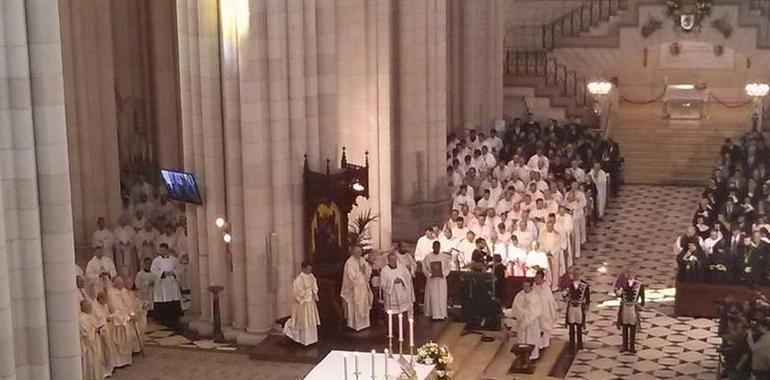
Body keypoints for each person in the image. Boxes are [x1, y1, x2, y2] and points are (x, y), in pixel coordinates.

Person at [283, 261, 320, 346]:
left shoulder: (311, 276)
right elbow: (297, 293)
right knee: (304, 322)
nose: (310, 271)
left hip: (310, 303)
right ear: (303, 268)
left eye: (311, 269)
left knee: (311, 321)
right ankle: (304, 341)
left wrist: (314, 291)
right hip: (302, 305)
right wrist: (307, 293)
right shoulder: (298, 280)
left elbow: (315, 287)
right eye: (308, 269)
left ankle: (312, 340)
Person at [151, 243, 183, 331]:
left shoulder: (174, 260)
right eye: (161, 250)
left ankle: (174, 317)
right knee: (163, 298)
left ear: (167, 250)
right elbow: (153, 271)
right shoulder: (156, 261)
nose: (162, 252)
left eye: (164, 250)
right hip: (162, 283)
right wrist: (162, 273)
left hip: (172, 282)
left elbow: (179, 269)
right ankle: (163, 318)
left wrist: (173, 272)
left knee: (173, 298)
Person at [341, 246, 373, 331]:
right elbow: (351, 278)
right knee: (356, 306)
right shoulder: (349, 263)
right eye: (357, 251)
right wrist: (360, 271)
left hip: (363, 287)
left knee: (364, 305)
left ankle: (364, 324)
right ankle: (355, 325)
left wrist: (367, 269)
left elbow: (368, 271)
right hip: (354, 289)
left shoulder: (362, 260)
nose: (359, 253)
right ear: (353, 252)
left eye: (360, 251)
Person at [510, 279, 542, 360]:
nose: (525, 288)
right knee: (522, 339)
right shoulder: (519, 295)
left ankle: (532, 356)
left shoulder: (535, 296)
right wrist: (523, 314)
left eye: (527, 286)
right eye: (524, 286)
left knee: (531, 339)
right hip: (522, 322)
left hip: (531, 323)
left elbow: (536, 311)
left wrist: (527, 317)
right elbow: (515, 308)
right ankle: (521, 356)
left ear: (531, 287)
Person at [615, 269, 644, 353]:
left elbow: (642, 296)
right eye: (629, 273)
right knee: (625, 327)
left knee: (632, 327)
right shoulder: (622, 283)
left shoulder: (639, 285)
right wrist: (618, 291)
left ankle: (632, 346)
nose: (630, 274)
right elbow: (617, 293)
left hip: (633, 308)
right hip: (625, 307)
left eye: (632, 273)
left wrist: (641, 305)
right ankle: (624, 346)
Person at [106, 277, 134, 367]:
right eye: (120, 283)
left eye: (122, 283)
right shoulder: (111, 294)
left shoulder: (123, 292)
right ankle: (118, 362)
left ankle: (126, 360)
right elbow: (115, 310)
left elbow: (129, 305)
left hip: (127, 320)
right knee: (118, 343)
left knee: (127, 341)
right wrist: (127, 318)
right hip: (119, 322)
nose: (122, 285)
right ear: (115, 283)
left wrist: (132, 314)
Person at [422, 241, 452, 320]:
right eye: (435, 246)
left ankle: (441, 314)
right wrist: (429, 274)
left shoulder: (444, 257)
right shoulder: (428, 257)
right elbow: (424, 268)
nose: (436, 248)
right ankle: (432, 314)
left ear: (440, 247)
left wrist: (444, 273)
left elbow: (448, 267)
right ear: (432, 247)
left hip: (441, 280)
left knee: (441, 297)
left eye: (438, 246)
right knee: (433, 297)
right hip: (432, 280)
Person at [563, 268, 589, 351]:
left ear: (580, 275)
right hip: (571, 307)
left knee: (579, 325)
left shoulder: (584, 284)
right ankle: (571, 343)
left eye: (578, 274)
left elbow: (587, 296)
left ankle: (580, 343)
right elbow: (565, 295)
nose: (576, 276)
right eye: (574, 274)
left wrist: (587, 304)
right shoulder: (569, 284)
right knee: (571, 325)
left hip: (579, 307)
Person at [79, 300, 105, 380]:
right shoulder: (81, 318)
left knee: (97, 361)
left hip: (95, 342)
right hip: (89, 346)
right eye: (89, 306)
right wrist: (95, 330)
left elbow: (95, 324)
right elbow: (86, 332)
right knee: (90, 363)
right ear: (83, 307)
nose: (91, 307)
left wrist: (99, 327)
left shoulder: (90, 315)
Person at [533, 270, 557, 350]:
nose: (536, 279)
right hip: (535, 313)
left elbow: (550, 301)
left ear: (542, 279)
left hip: (544, 313)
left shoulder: (546, 288)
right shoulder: (532, 287)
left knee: (544, 329)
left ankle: (544, 344)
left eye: (539, 278)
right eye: (536, 277)